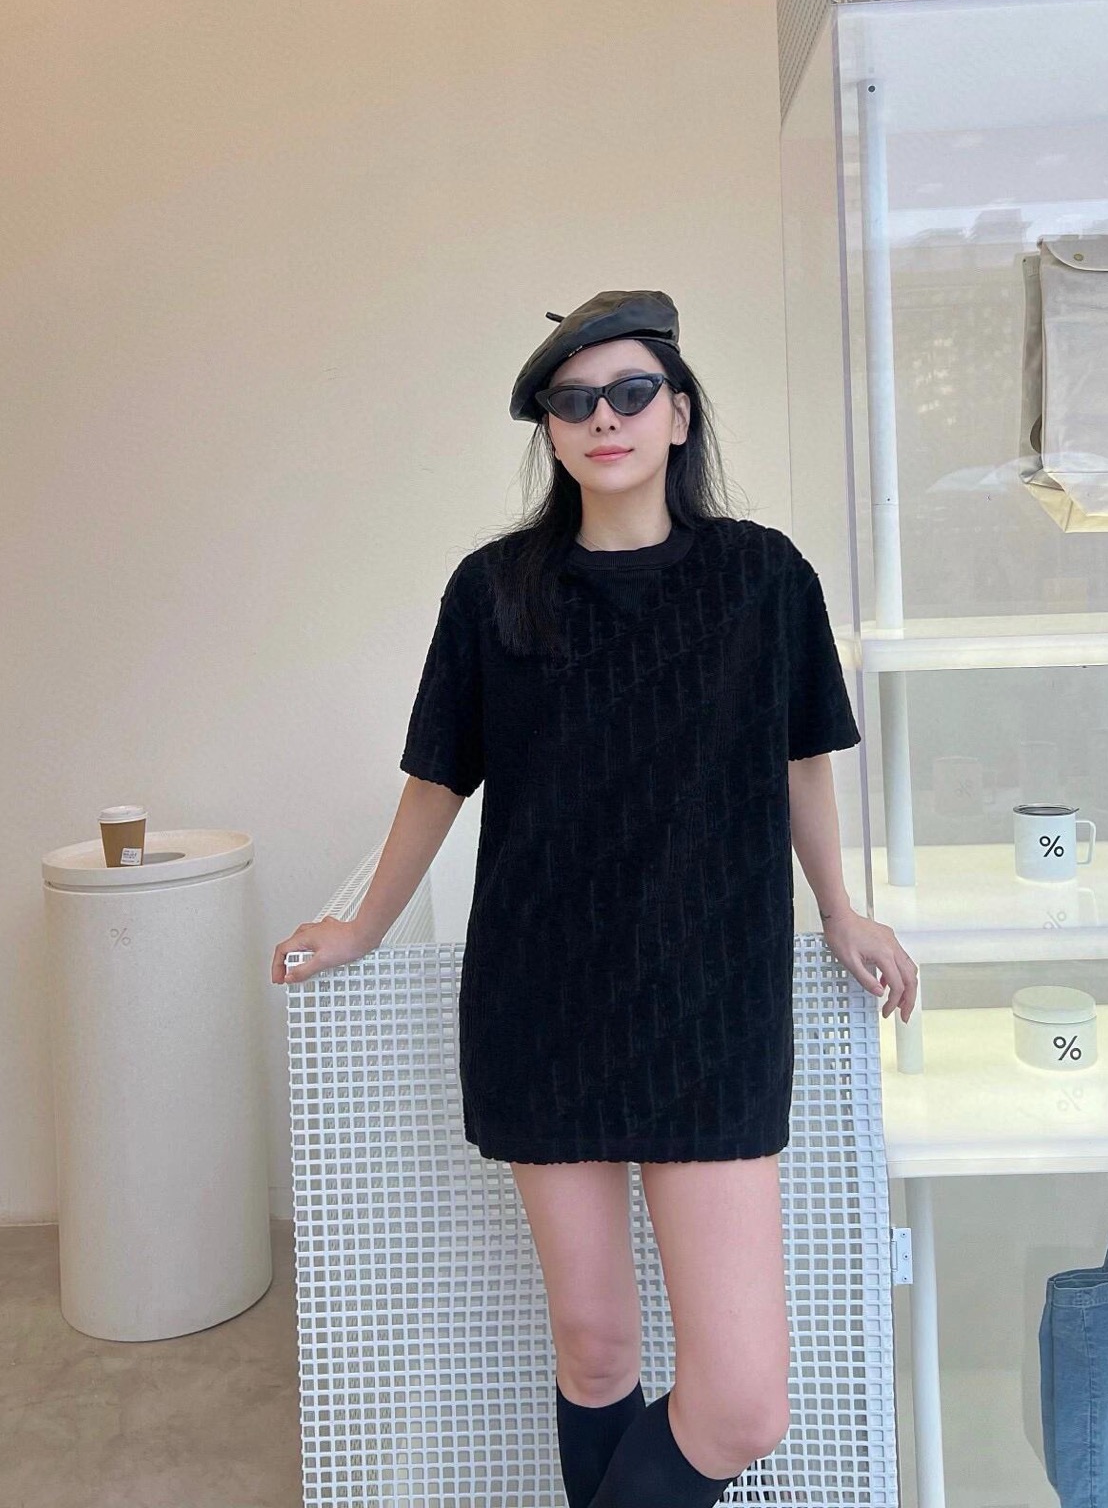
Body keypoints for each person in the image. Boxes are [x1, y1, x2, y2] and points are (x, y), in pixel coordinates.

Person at [272, 288, 918, 1508]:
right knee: (596, 1348)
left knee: (742, 1402)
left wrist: (841, 908)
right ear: (551, 432)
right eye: (573, 403)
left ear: (679, 414)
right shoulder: (494, 589)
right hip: (543, 996)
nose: (603, 418)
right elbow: (437, 780)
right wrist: (359, 927)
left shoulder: (764, 577)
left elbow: (802, 762)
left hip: (711, 1006)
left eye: (630, 393)